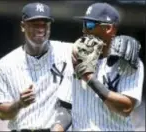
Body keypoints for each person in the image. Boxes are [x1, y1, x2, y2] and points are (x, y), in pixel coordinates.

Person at [55, 2, 144, 131]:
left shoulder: (127, 62)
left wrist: (89, 78)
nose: (84, 30)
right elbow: (66, 107)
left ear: (109, 28)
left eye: (90, 25)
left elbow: (126, 108)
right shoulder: (76, 58)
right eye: (84, 24)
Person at [0, 2, 73, 131]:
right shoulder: (6, 64)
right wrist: (18, 104)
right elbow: (1, 114)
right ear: (23, 26)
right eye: (35, 25)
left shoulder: (67, 52)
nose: (41, 29)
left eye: (45, 24)